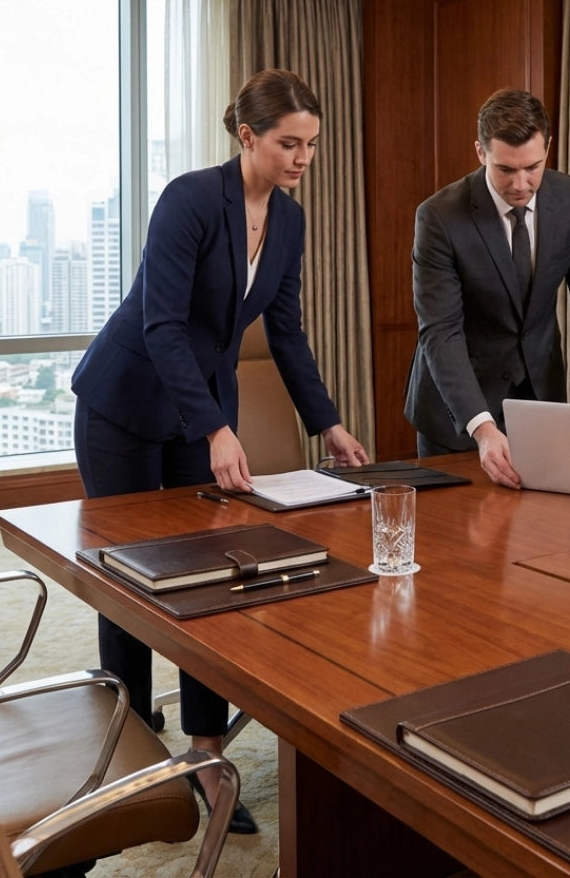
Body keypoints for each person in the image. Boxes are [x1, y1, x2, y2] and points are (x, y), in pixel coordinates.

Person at [71, 68, 368, 833]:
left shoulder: (291, 220)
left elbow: (287, 333)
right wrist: (215, 428)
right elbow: (161, 325)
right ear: (247, 136)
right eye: (287, 144)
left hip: (199, 408)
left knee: (205, 575)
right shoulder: (191, 199)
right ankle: (133, 735)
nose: (302, 158)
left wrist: (327, 422)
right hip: (127, 403)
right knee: (131, 575)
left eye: (311, 146)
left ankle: (205, 748)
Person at [404, 87, 570, 488]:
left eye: (533, 167)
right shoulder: (439, 218)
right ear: (480, 152)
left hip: (540, 404)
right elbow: (441, 332)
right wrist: (482, 428)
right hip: (458, 416)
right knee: (458, 544)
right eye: (505, 169)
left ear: (548, 147)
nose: (521, 183)